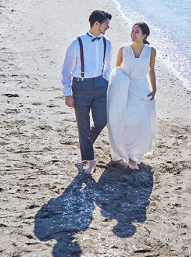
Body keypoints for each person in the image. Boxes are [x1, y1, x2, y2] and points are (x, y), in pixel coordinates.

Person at [61, 10, 113, 175]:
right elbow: (67, 70)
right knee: (83, 125)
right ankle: (91, 161)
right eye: (106, 23)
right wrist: (67, 93)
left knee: (101, 120)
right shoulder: (76, 44)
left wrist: (105, 80)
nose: (108, 27)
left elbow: (108, 65)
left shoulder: (107, 43)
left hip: (99, 85)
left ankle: (84, 142)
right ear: (97, 24)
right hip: (81, 86)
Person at [107, 22, 157, 170]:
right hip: (125, 90)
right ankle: (126, 154)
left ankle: (134, 156)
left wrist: (154, 89)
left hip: (142, 90)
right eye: (132, 31)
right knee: (125, 122)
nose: (133, 34)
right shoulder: (124, 50)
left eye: (137, 31)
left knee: (140, 124)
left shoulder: (151, 51)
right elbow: (117, 71)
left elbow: (151, 71)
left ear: (144, 35)